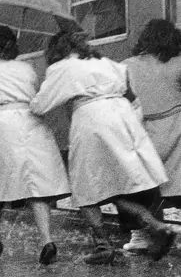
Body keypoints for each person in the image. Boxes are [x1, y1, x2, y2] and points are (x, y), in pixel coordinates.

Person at [29, 31, 175, 263]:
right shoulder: (109, 64)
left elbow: (40, 106)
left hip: (92, 122)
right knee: (117, 186)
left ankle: (103, 245)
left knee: (86, 188)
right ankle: (155, 225)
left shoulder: (63, 67)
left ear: (56, 50)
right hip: (124, 119)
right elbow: (134, 100)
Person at [0, 25, 71, 264]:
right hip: (31, 122)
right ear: (12, 45)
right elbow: (32, 91)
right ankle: (47, 240)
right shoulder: (27, 67)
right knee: (35, 184)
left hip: (0, 125)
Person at [120, 19, 181, 254]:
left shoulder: (127, 66)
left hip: (145, 130)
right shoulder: (177, 62)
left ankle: (140, 235)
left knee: (135, 185)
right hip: (177, 127)